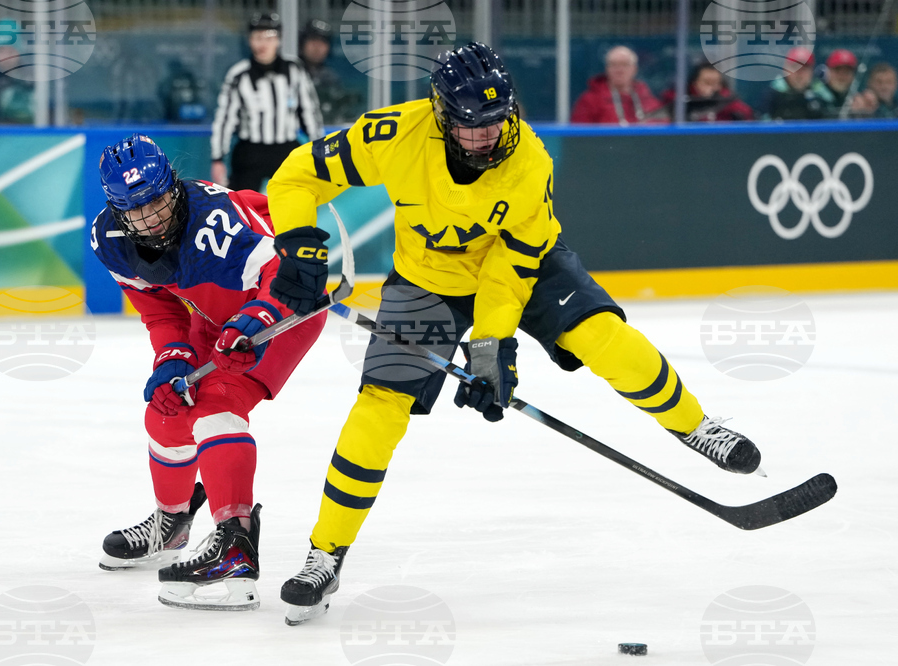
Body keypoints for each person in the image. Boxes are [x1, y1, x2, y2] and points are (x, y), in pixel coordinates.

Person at [264, 42, 763, 626]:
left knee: (603, 336)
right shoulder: (394, 136)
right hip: (427, 280)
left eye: (497, 124)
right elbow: (296, 175)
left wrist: (491, 348)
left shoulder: (530, 162)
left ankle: (696, 426)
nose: (487, 139)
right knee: (380, 405)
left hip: (523, 266)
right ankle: (326, 552)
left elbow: (508, 274)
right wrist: (298, 241)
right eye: (471, 127)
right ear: (442, 114)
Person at [92, 134, 326, 610]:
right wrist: (172, 356)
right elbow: (160, 311)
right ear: (117, 212)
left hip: (282, 311)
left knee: (216, 402)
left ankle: (235, 546)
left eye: (158, 200)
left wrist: (256, 319)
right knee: (167, 411)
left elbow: (285, 271)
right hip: (215, 319)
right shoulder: (110, 241)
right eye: (136, 210)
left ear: (174, 186)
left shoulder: (217, 218)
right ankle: (171, 524)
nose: (152, 218)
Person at [211, 13, 324, 192]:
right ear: (249, 41)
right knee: (243, 205)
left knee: (294, 199)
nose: (263, 44)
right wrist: (217, 158)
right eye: (257, 37)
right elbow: (225, 119)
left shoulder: (294, 70)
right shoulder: (239, 74)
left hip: (285, 149)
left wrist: (319, 149)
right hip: (250, 151)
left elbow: (309, 112)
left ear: (278, 40)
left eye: (269, 37)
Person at [571, 46, 666, 124]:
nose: (619, 70)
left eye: (624, 64)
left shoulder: (648, 99)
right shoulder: (590, 101)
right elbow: (578, 137)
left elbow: (663, 130)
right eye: (614, 65)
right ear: (607, 69)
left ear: (634, 69)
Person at [299, 18, 362, 125]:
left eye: (323, 42)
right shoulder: (292, 72)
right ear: (302, 43)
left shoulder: (330, 77)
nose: (317, 47)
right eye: (313, 40)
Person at [661, 63, 754, 121]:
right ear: (695, 83)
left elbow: (746, 113)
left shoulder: (727, 100)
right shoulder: (680, 97)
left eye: (716, 83)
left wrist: (721, 99)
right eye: (707, 82)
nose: (712, 87)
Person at [764, 47, 832, 120]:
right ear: (785, 69)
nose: (799, 73)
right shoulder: (773, 94)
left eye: (804, 68)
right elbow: (763, 123)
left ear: (812, 71)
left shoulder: (821, 94)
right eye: (795, 67)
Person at [822, 48, 877, 118]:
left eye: (847, 72)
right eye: (837, 70)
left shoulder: (857, 98)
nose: (842, 76)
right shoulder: (817, 96)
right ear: (828, 71)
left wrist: (866, 112)